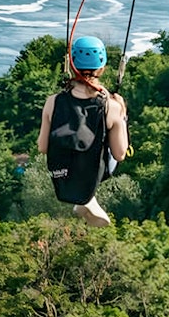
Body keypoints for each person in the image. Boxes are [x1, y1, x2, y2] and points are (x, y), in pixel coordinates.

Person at [38, 36, 129, 227]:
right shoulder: (110, 106)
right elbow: (120, 154)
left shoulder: (53, 102)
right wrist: (122, 116)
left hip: (62, 170)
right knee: (110, 142)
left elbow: (43, 147)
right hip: (95, 170)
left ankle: (87, 199)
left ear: (71, 66)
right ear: (102, 68)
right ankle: (89, 198)